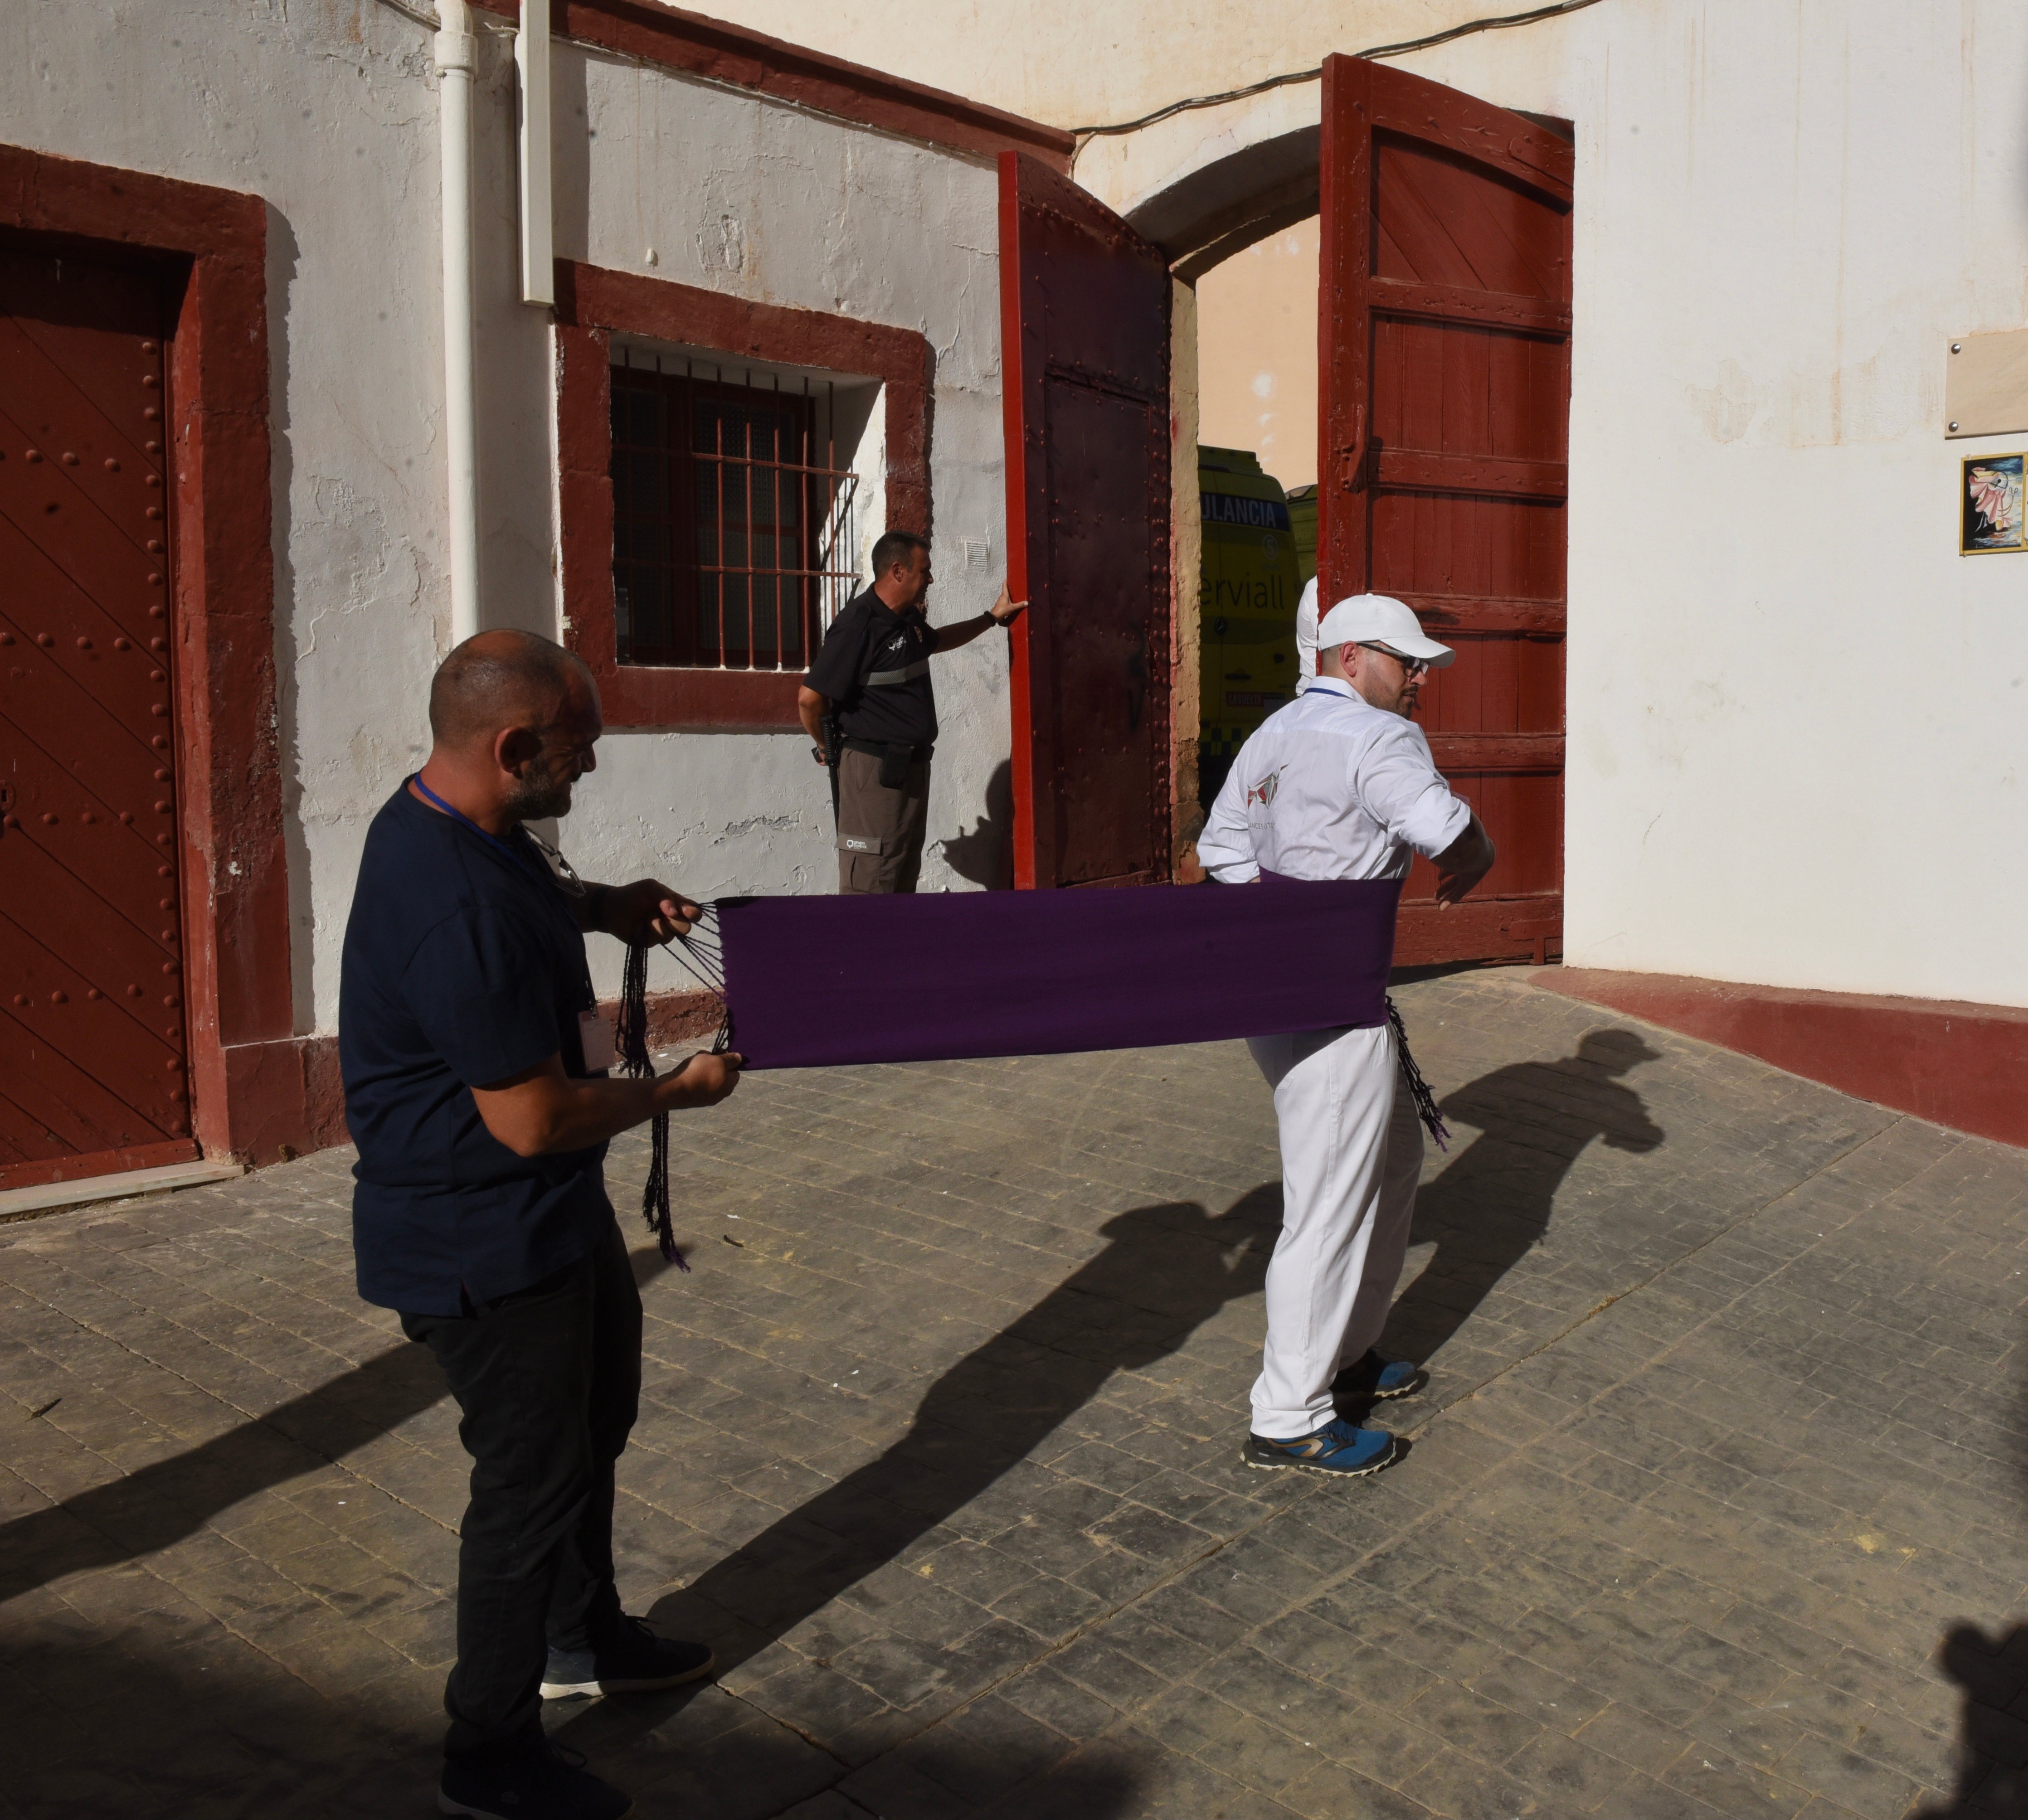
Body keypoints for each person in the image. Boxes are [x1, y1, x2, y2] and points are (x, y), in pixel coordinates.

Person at [340, 629, 744, 1820]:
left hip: (550, 1217)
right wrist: (676, 1091)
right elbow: (530, 1117)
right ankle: (489, 1746)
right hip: (483, 1242)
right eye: (581, 747)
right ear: (514, 746)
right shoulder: (451, 902)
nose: (595, 765)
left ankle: (585, 1634)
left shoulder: (465, 824)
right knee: (526, 1483)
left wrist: (604, 904)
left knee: (593, 1422)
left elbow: (532, 883)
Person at [1196, 593, 1497, 1479]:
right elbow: (1446, 832)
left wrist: (1287, 916)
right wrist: (1475, 859)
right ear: (1356, 656)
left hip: (1278, 999)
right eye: (1408, 666)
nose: (1417, 685)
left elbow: (1221, 851)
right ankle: (1289, 1414)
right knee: (1327, 1205)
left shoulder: (1275, 732)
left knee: (1394, 1157)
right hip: (1333, 1002)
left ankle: (1348, 1349)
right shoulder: (1379, 738)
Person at [797, 530, 1024, 893]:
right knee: (871, 881)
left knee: (902, 877)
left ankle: (895, 951)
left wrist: (991, 618)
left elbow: (936, 642)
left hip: (911, 769)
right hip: (873, 773)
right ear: (898, 571)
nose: (931, 579)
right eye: (925, 570)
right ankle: (864, 951)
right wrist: (826, 747)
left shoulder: (905, 619)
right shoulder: (859, 623)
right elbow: (810, 699)